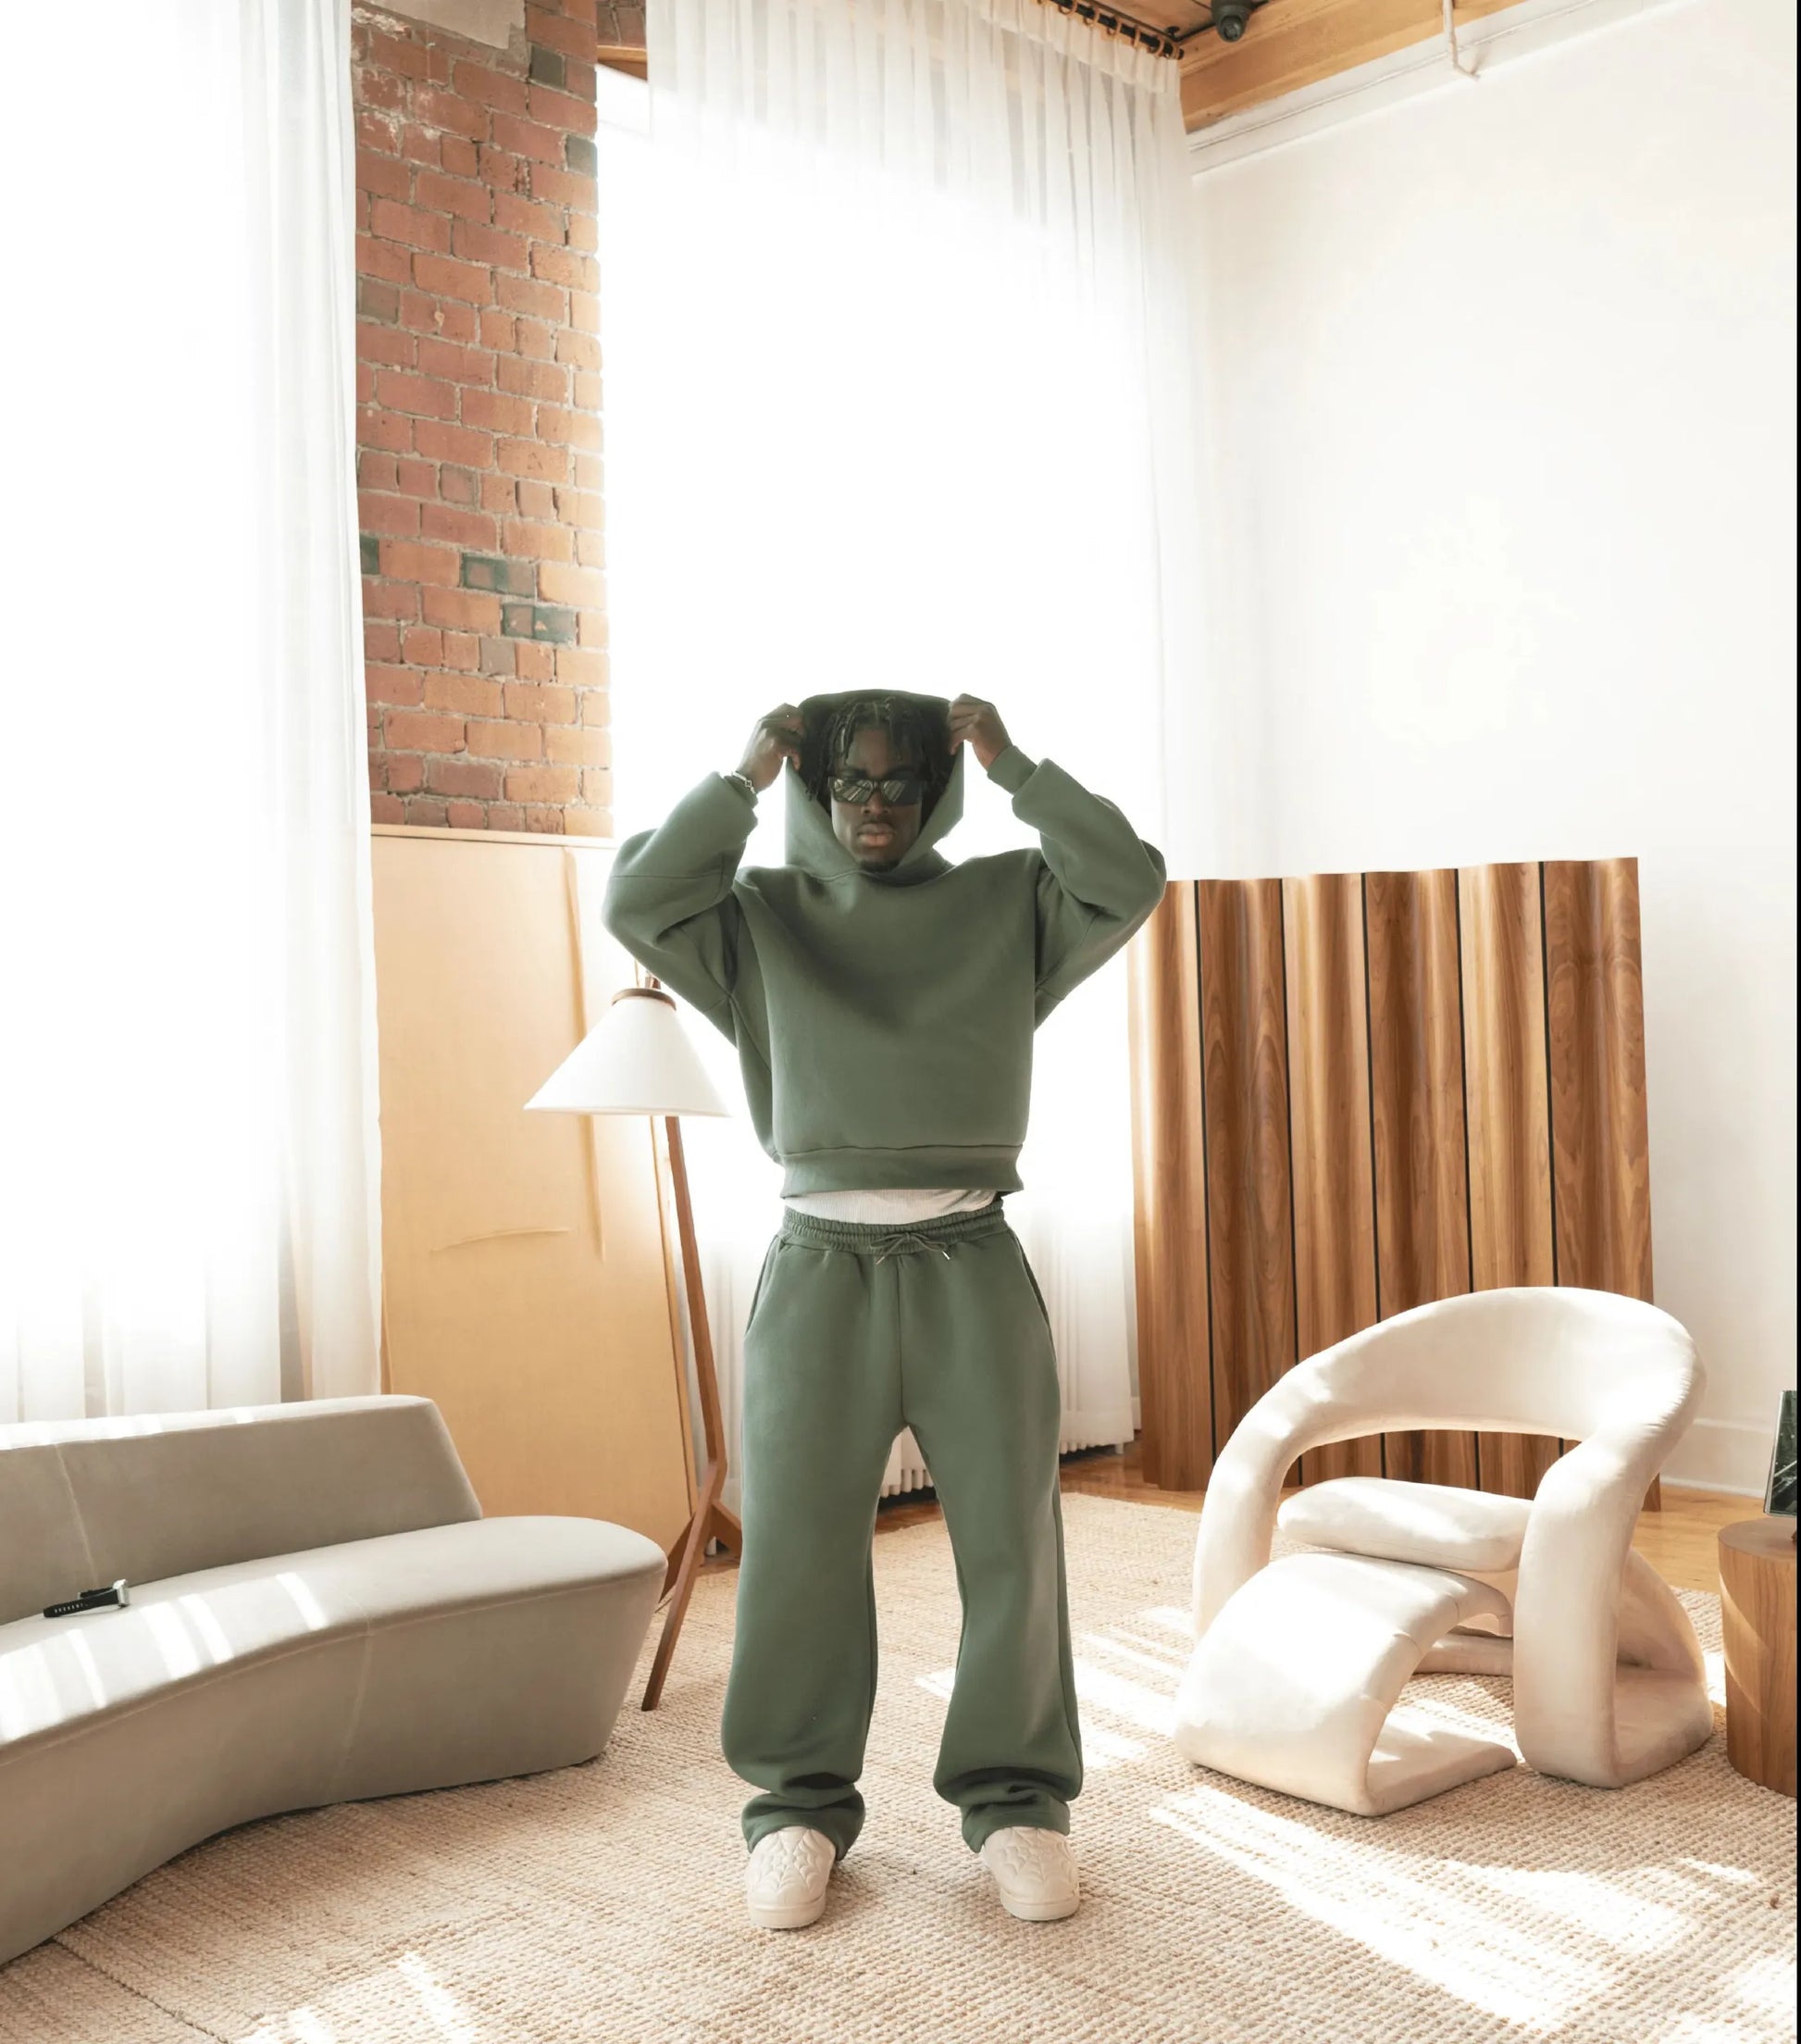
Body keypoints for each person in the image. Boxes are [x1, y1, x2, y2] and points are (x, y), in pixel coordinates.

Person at [602, 691, 1165, 1929]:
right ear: (814, 789)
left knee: (1012, 1546)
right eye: (848, 781)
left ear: (935, 791)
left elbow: (1129, 879)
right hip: (820, 1268)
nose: (874, 805)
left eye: (900, 783)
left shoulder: (1008, 901)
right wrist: (740, 778)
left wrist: (1015, 766)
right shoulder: (757, 916)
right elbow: (636, 901)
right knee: (799, 1549)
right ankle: (796, 1809)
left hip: (972, 1264)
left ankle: (1017, 1802)